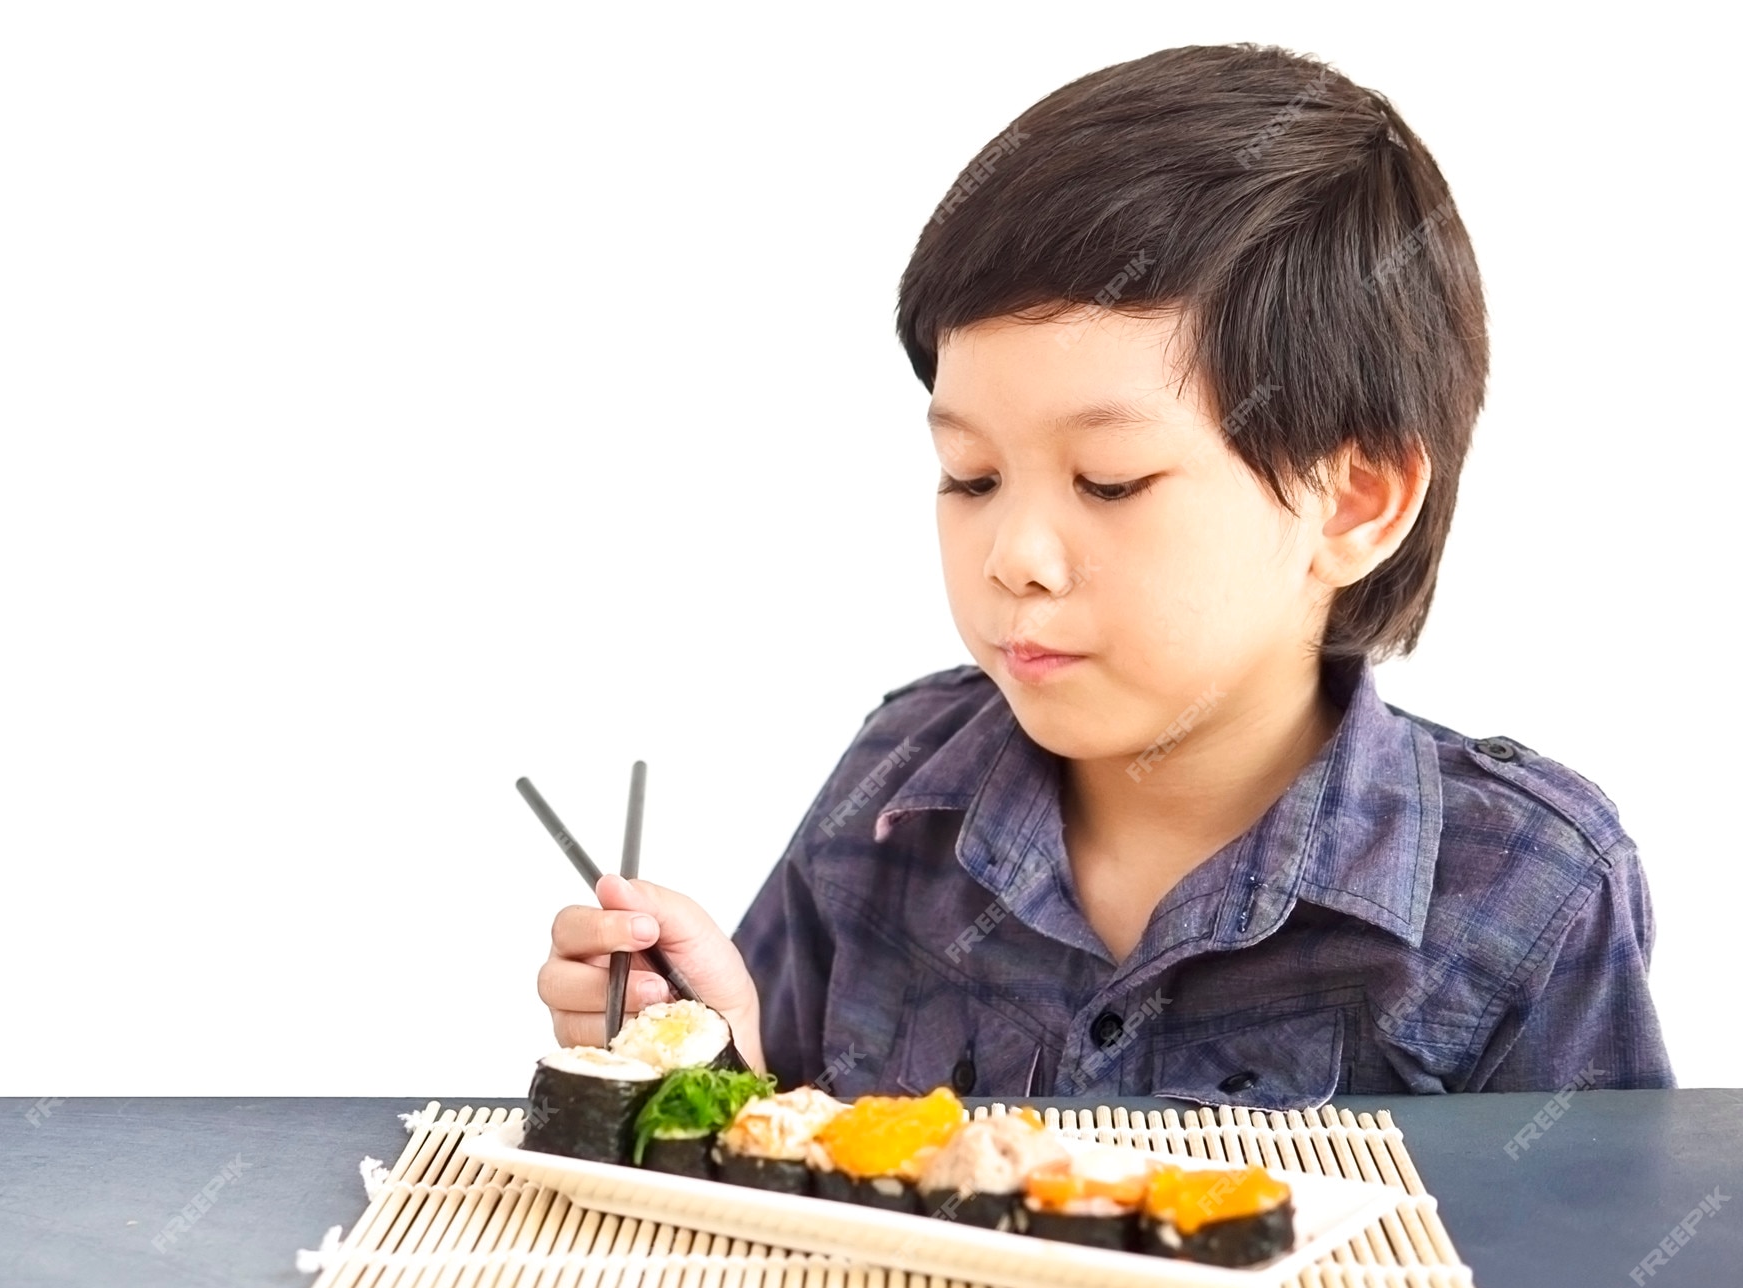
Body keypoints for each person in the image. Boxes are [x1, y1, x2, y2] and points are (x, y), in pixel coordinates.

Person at [536, 43, 1672, 1104]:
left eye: (1111, 480)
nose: (1013, 558)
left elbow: (1583, 1261)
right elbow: (771, 1180)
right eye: (970, 476)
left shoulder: (1525, 886)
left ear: (1353, 500)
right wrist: (695, 1059)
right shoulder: (896, 787)